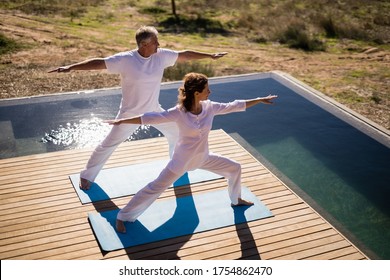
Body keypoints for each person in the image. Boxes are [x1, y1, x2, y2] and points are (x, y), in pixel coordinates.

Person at [49, 26, 228, 190]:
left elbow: (185, 54)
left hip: (154, 109)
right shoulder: (126, 59)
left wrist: (209, 55)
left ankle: (177, 164)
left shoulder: (161, 56)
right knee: (109, 144)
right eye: (155, 42)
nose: (159, 44)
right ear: (144, 44)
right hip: (130, 113)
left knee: (177, 133)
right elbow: (99, 62)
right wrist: (71, 67)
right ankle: (87, 175)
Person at [106, 72, 278, 233]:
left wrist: (260, 99)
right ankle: (123, 216)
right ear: (196, 93)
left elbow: (234, 105)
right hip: (181, 162)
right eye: (206, 89)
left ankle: (236, 199)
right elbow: (149, 117)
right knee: (154, 188)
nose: (210, 91)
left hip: (203, 158)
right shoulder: (179, 112)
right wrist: (122, 120)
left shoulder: (210, 107)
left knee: (235, 168)